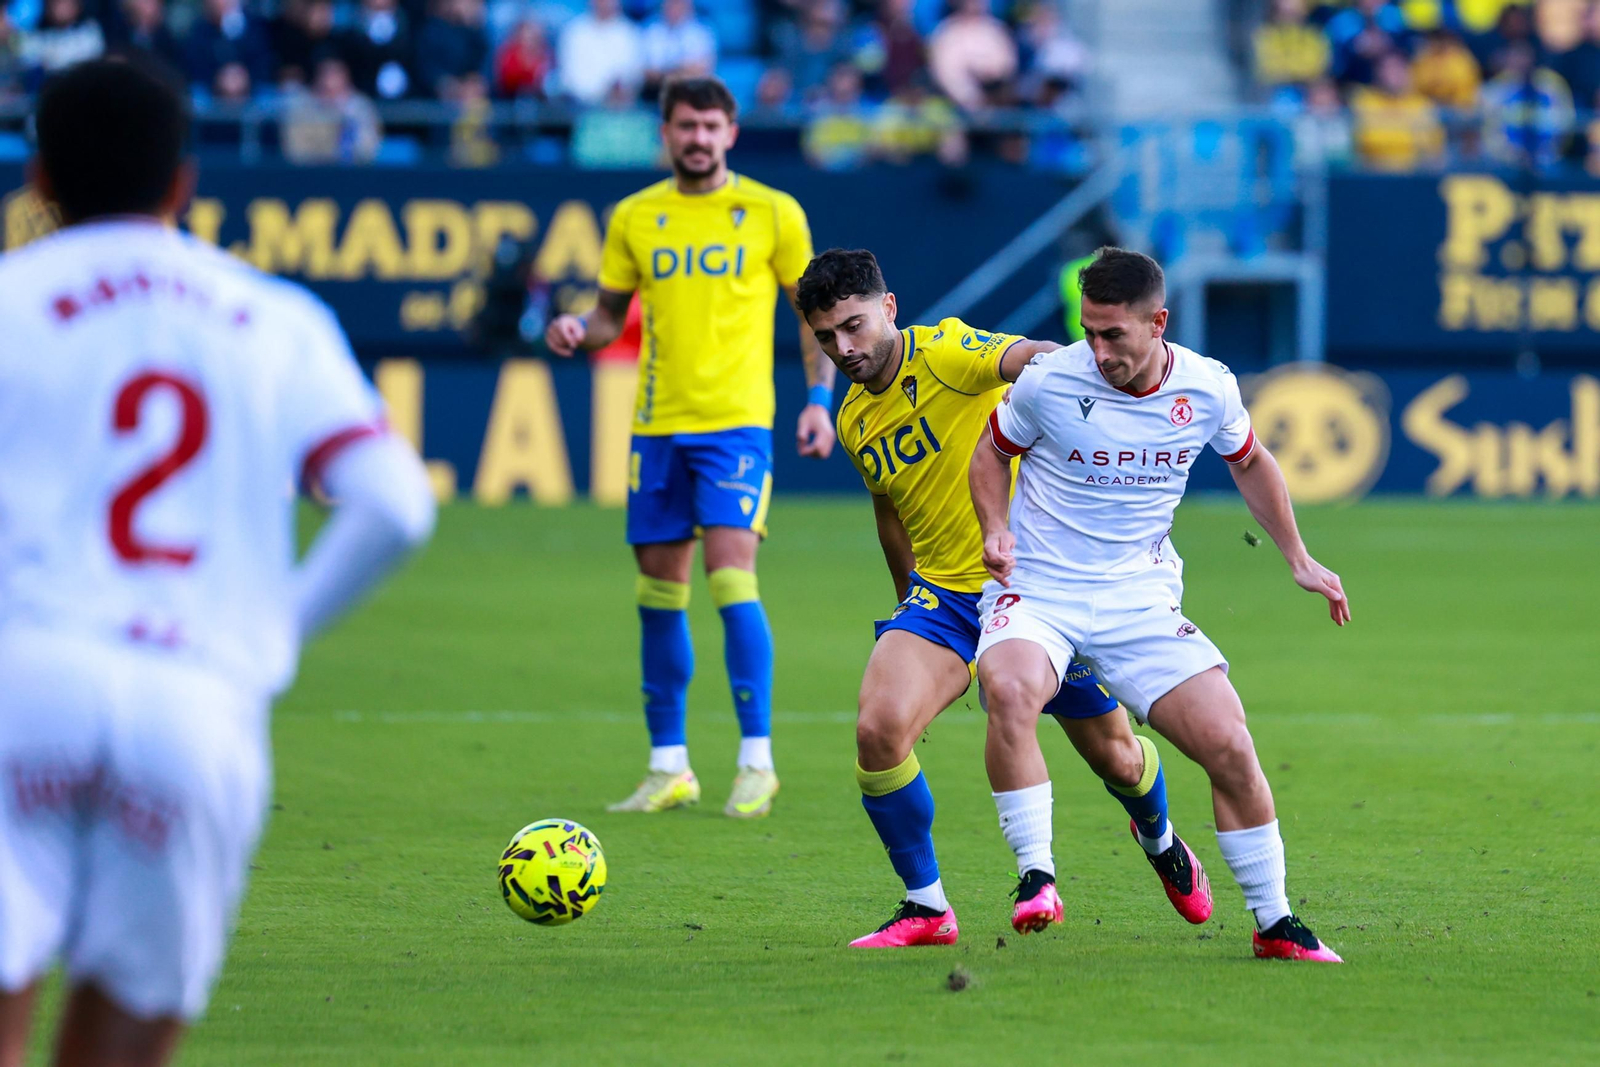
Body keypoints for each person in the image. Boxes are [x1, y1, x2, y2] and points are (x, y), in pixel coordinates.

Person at [0, 57, 435, 1067]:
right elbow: (395, 504)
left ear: (40, 177)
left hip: (26, 677)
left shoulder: (13, 299)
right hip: (193, 700)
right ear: (184, 180)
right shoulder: (272, 316)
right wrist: (269, 636)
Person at [796, 248, 1213, 946]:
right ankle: (927, 906)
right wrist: (905, 609)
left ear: (889, 308)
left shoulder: (947, 352)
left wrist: (1111, 402)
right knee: (878, 730)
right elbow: (890, 511)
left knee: (1117, 757)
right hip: (945, 600)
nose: (843, 348)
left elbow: (1040, 358)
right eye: (826, 336)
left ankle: (1160, 837)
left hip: (1039, 590)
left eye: (854, 325)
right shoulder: (854, 418)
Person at [969, 247, 1347, 963]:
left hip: (1138, 599)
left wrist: (1298, 557)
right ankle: (1037, 878)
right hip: (1039, 587)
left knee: (1228, 742)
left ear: (1158, 323)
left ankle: (1275, 922)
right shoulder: (1050, 381)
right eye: (1089, 332)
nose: (1098, 351)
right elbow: (991, 453)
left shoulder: (1208, 387)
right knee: (1010, 690)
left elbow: (1250, 460)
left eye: (1113, 334)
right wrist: (994, 527)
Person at [544, 76, 835, 819]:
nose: (698, 138)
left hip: (737, 424)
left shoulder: (773, 212)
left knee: (731, 578)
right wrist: (579, 329)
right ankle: (668, 766)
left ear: (731, 133)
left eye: (711, 126)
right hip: (656, 428)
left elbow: (813, 317)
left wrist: (818, 400)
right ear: (665, 134)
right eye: (685, 126)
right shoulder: (636, 216)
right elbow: (608, 318)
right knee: (657, 595)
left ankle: (757, 762)